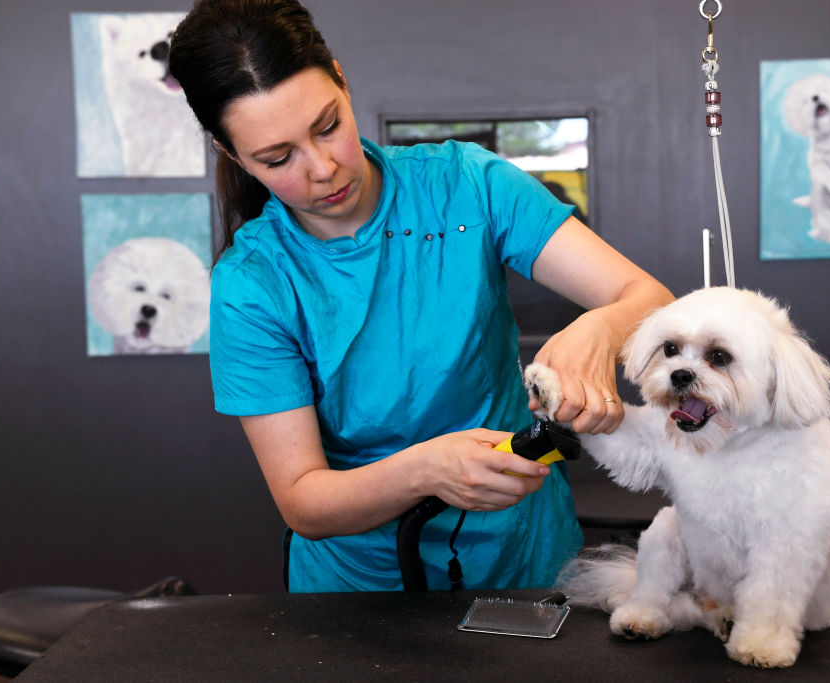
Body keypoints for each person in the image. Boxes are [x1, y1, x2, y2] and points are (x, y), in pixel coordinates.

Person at [169, 0, 674, 592]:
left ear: (341, 77)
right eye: (278, 158)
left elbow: (650, 299)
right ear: (231, 154)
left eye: (329, 125)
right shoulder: (252, 284)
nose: (323, 167)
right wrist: (427, 471)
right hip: (361, 596)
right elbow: (303, 500)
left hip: (525, 561)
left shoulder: (466, 186)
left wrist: (602, 328)